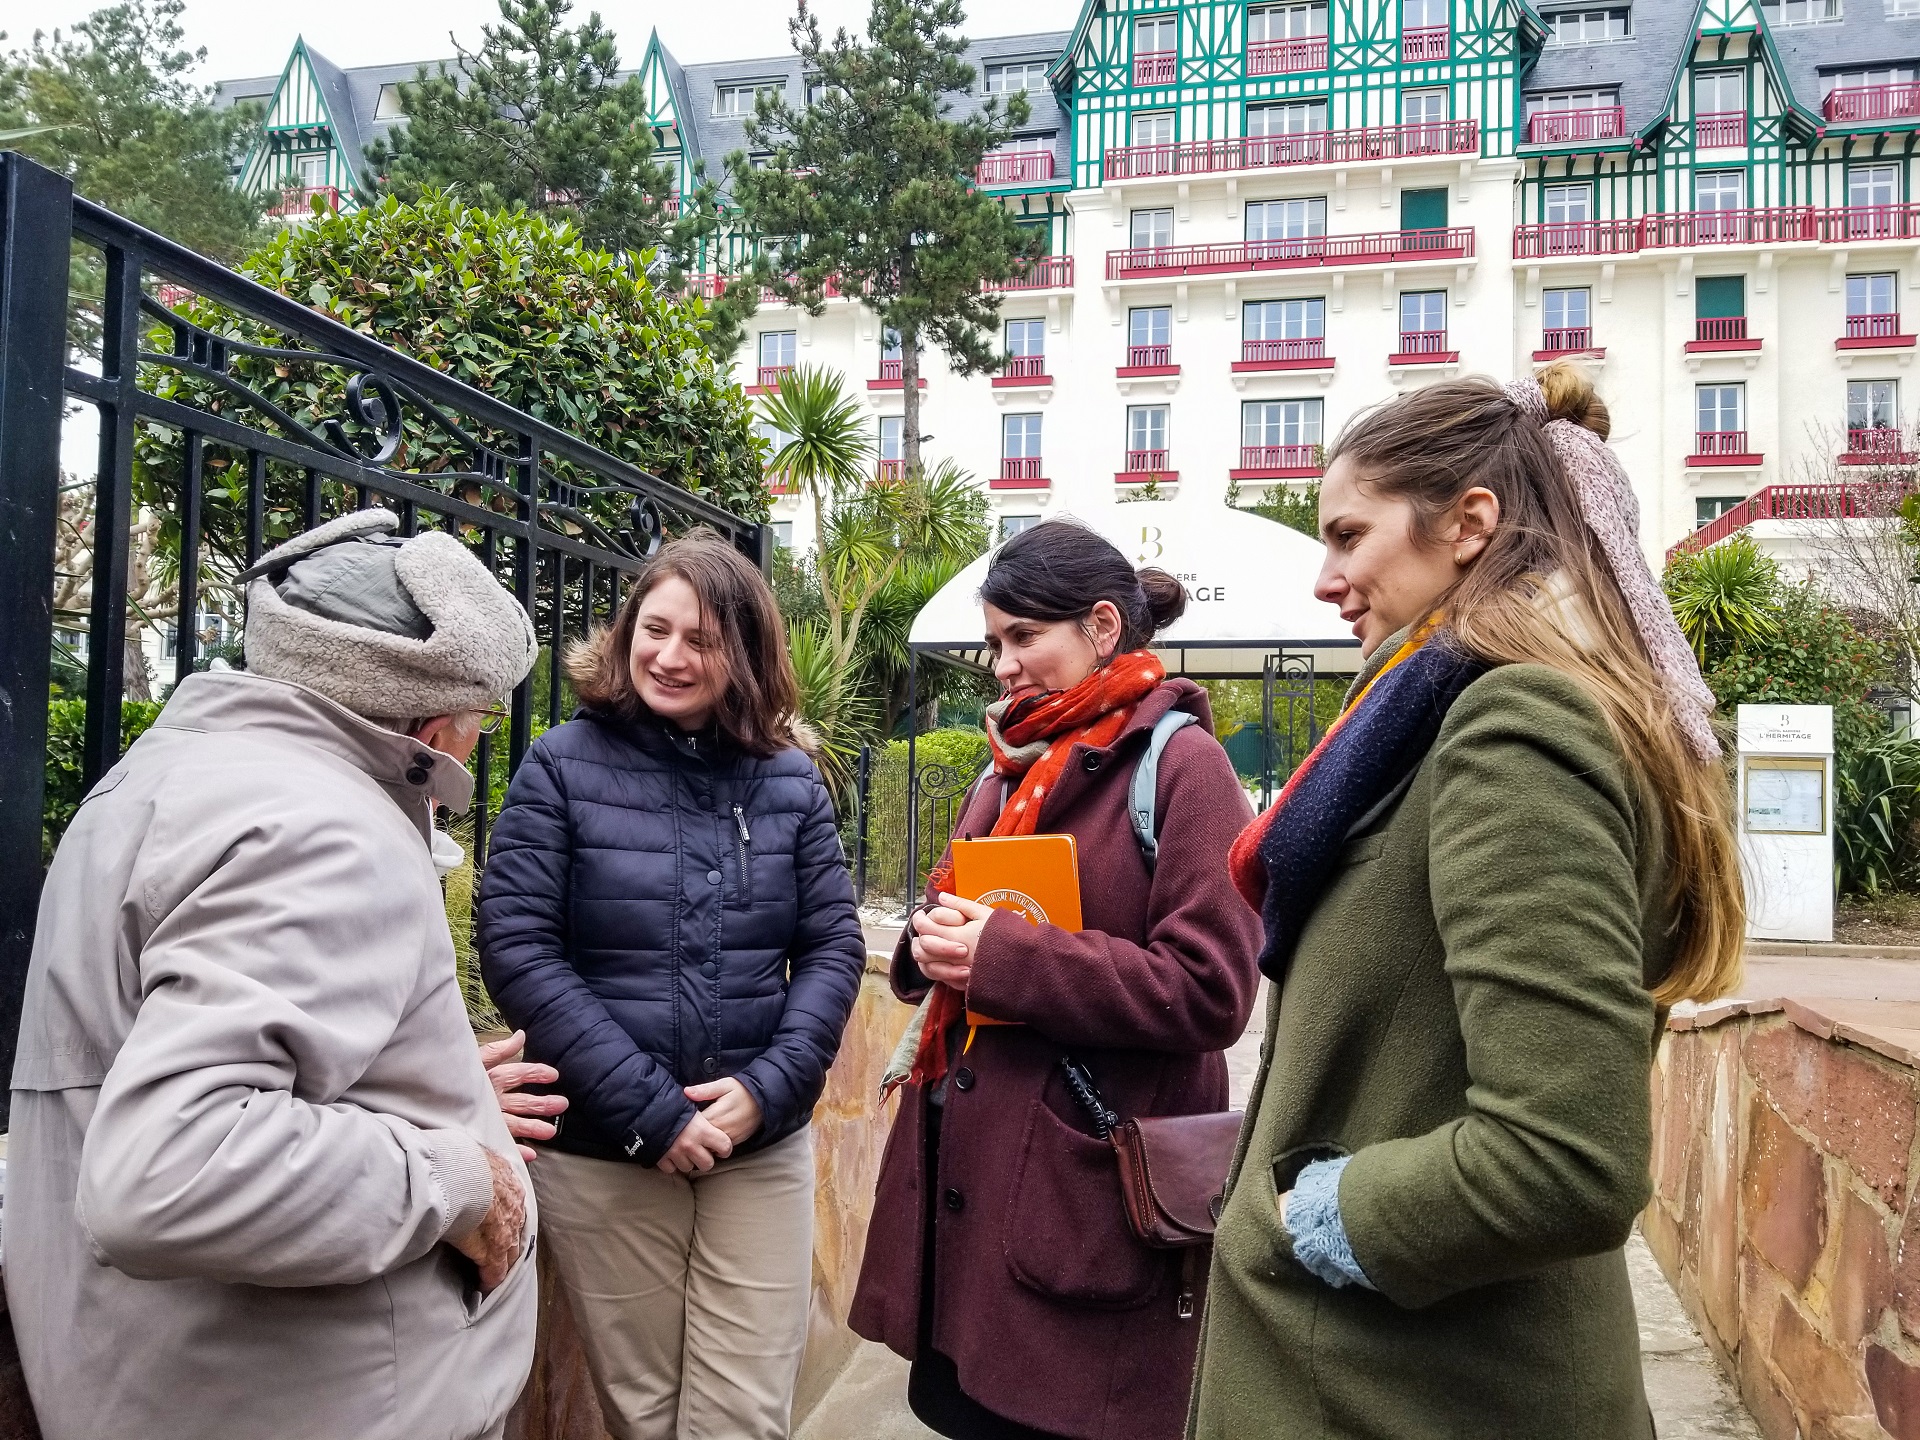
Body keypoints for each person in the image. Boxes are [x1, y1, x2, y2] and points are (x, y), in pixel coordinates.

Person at [1189, 364, 1746, 1438]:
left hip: (1408, 1389)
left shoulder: (1511, 727)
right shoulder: (1453, 714)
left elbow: (1562, 1158)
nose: (1325, 575)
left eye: (1349, 534)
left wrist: (1302, 1217)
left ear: (1469, 523)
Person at [9, 508, 545, 1440]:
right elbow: (171, 1170)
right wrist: (455, 1172)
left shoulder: (158, 777)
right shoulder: (325, 825)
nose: (472, 747)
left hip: (161, 1382)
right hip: (324, 1400)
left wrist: (436, 1085)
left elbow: (152, 1055)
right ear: (426, 717)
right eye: (478, 723)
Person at [849, 518, 1264, 1440]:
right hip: (972, 1215)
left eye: (1023, 637)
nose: (1001, 665)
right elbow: (956, 903)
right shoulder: (1007, 768)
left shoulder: (1186, 768)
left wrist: (1000, 957)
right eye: (994, 641)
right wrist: (932, 942)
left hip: (1082, 1211)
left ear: (1105, 628)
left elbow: (1213, 990)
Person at [477, 528, 865, 1440]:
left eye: (701, 639)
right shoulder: (560, 765)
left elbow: (834, 946)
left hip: (756, 1143)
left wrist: (766, 1092)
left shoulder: (789, 781)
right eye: (654, 628)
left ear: (744, 651)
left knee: (742, 1416)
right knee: (643, 1412)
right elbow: (519, 948)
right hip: (608, 1147)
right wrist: (653, 1110)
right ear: (624, 631)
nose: (669, 656)